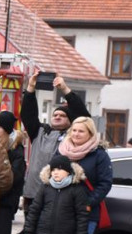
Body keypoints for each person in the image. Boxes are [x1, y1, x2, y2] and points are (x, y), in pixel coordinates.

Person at [56, 117, 112, 234]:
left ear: (90, 134)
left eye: (81, 131)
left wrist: (88, 203)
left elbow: (105, 183)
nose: (76, 134)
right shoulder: (62, 150)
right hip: (63, 210)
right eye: (74, 130)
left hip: (86, 213)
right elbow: (52, 174)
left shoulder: (98, 154)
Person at [19, 71, 90, 215]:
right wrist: (31, 87)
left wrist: (64, 90)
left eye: (62, 116)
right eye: (55, 114)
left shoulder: (73, 135)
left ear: (71, 121)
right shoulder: (40, 132)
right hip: (33, 193)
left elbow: (83, 115)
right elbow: (28, 113)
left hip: (59, 195)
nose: (57, 117)